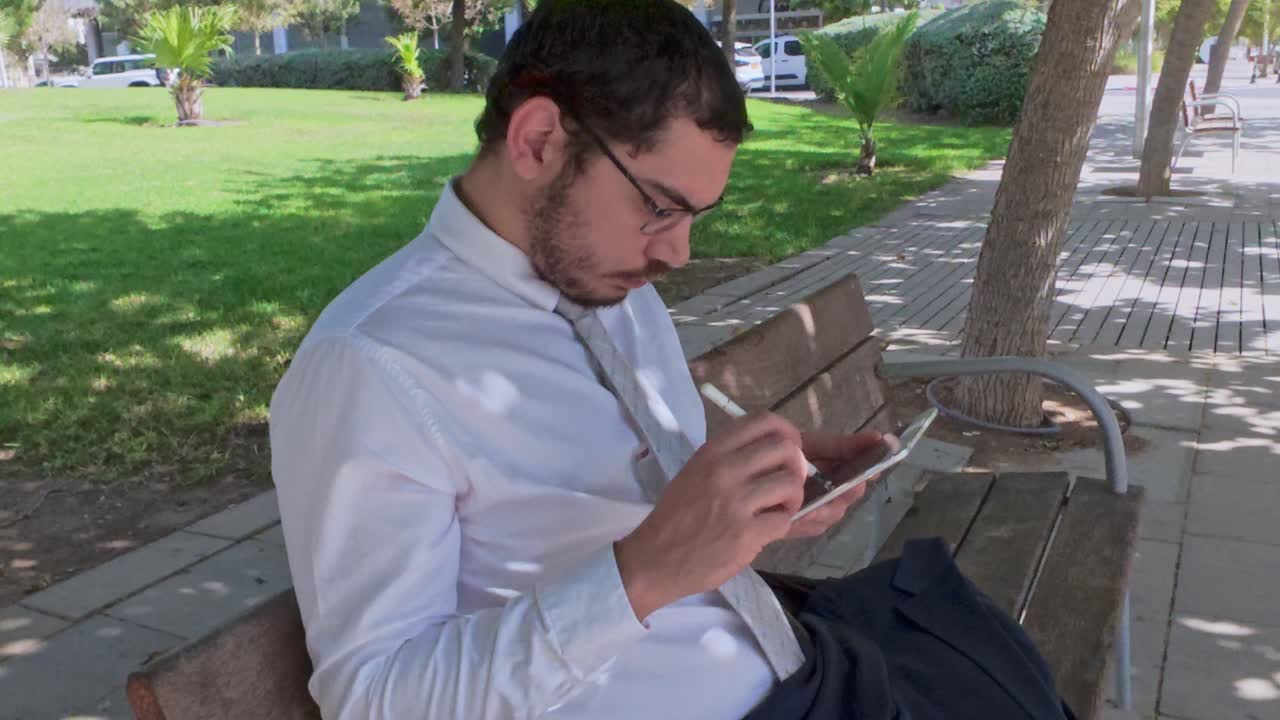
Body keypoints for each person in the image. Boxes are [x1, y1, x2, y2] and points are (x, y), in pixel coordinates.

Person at [270, 1, 1075, 718]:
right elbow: (373, 698)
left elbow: (617, 494)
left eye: (696, 216)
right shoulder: (374, 365)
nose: (678, 254)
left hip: (800, 655)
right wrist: (642, 576)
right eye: (660, 207)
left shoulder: (608, 285)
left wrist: (757, 498)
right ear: (539, 140)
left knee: (1000, 668)